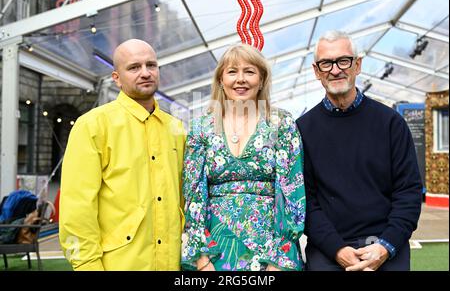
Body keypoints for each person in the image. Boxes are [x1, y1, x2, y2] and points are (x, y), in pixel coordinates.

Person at [296, 30, 422, 271]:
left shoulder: (391, 123)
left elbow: (408, 192)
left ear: (357, 65)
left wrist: (385, 247)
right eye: (326, 63)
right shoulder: (302, 130)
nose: (335, 70)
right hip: (329, 247)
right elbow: (305, 202)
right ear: (316, 71)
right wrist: (337, 250)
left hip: (385, 244)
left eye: (343, 60)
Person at [59, 39, 186, 270]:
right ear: (116, 78)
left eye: (151, 65)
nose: (145, 73)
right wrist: (87, 265)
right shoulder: (92, 126)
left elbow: (183, 198)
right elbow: (77, 207)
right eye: (134, 67)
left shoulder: (176, 129)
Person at [180, 43, 306, 271]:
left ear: (262, 79)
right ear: (220, 80)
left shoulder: (281, 123)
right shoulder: (201, 127)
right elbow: (193, 196)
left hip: (271, 250)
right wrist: (202, 259)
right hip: (215, 251)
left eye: (249, 71)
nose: (241, 79)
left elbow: (292, 192)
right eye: (232, 72)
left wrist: (278, 260)